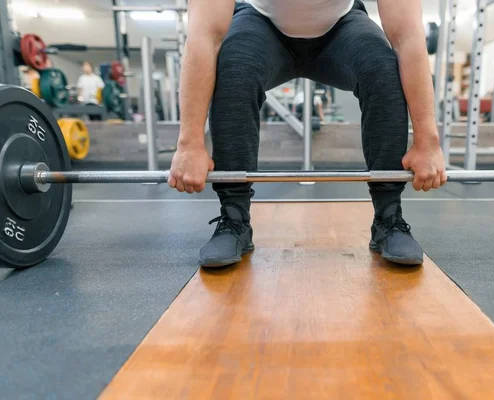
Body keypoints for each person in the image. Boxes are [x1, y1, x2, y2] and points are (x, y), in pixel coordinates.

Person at [168, 0, 447, 268]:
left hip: (341, 25)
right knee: (235, 65)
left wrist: (427, 141)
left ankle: (389, 218)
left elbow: (407, 36)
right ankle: (234, 218)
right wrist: (190, 143)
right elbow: (204, 35)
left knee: (381, 67)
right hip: (261, 23)